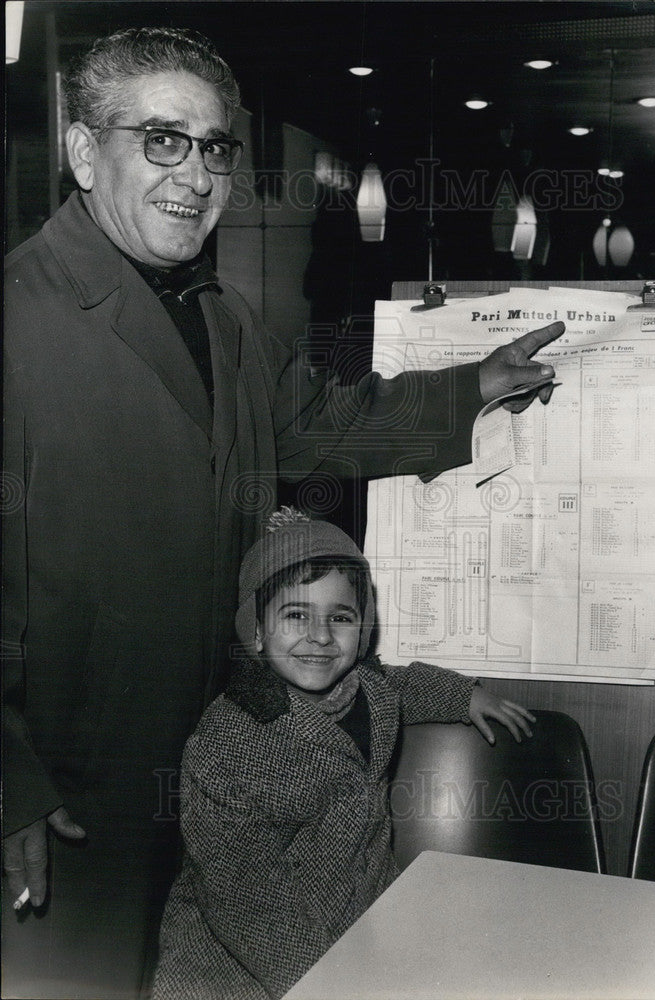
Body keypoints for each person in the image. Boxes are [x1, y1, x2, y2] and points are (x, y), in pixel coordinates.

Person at [2, 25, 562, 1000]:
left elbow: (330, 425)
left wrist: (474, 387)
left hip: (207, 779)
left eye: (215, 146)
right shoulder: (22, 319)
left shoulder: (223, 323)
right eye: (161, 139)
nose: (196, 173)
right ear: (84, 151)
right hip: (62, 808)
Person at [152, 508, 535, 1000]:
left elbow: (405, 685)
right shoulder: (224, 743)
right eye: (296, 616)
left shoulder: (370, 689)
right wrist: (323, 984)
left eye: (341, 617)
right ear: (257, 631)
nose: (320, 636)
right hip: (240, 959)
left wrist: (465, 696)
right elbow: (243, 898)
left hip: (361, 916)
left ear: (362, 629)